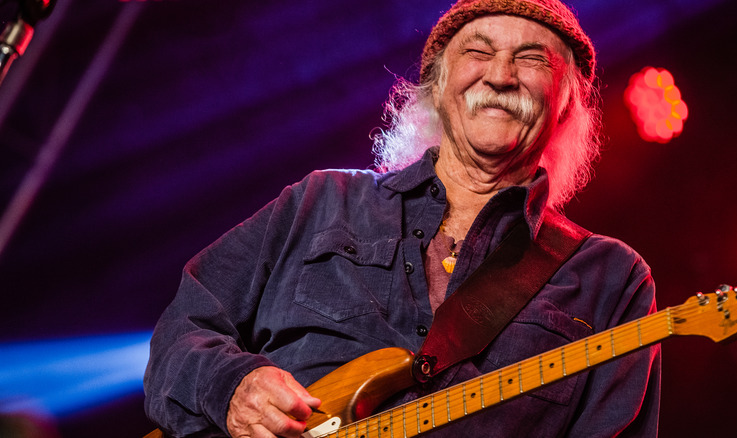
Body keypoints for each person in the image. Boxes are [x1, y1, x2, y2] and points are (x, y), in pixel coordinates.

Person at [144, 0, 661, 437]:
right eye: (478, 51)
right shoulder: (321, 201)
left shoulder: (611, 279)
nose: (501, 75)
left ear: (568, 101)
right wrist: (232, 386)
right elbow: (182, 330)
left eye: (531, 59)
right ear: (435, 86)